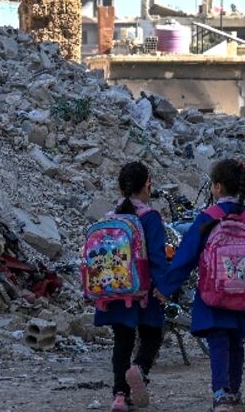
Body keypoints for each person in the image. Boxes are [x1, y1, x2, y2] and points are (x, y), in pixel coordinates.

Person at [159, 159, 245, 411]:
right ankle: (234, 391)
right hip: (244, 296)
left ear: (217, 188)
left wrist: (165, 287)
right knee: (236, 342)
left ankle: (220, 393)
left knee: (218, 342)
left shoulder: (207, 217)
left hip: (213, 294)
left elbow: (186, 257)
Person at [93, 162, 169, 411]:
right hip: (143, 291)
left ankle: (119, 397)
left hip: (115, 290)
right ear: (147, 185)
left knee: (121, 342)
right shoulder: (150, 217)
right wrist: (164, 287)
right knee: (152, 336)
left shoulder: (112, 216)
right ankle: (139, 369)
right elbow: (157, 257)